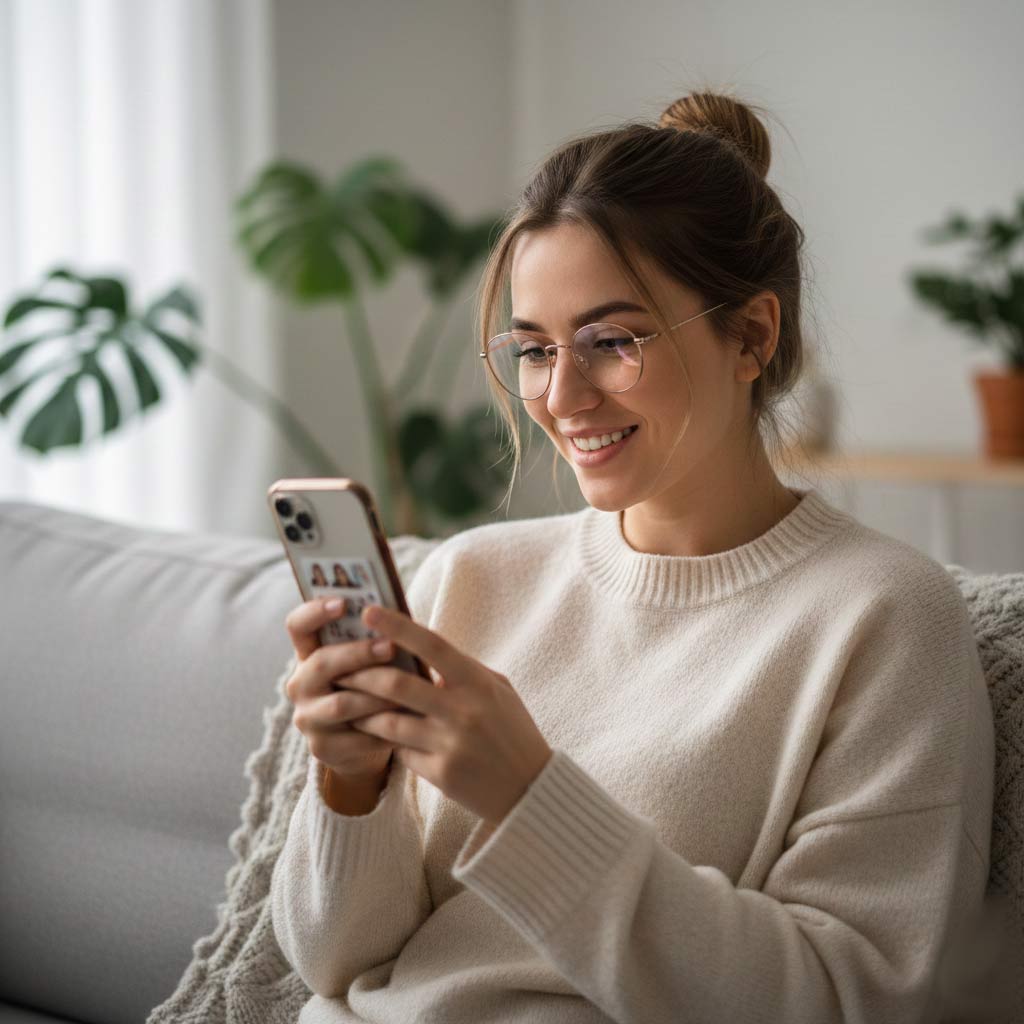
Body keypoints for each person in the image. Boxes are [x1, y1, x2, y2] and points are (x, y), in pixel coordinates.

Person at [270, 90, 1000, 1023]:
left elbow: (848, 997)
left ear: (754, 336)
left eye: (611, 340)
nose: (562, 395)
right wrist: (351, 785)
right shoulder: (470, 579)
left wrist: (531, 799)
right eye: (534, 349)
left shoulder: (883, 617)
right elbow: (335, 963)